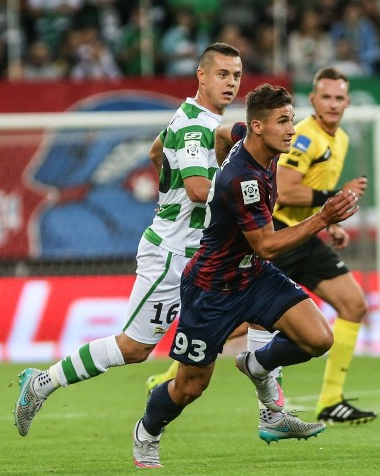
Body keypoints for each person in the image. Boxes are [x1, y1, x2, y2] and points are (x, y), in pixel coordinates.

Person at [12, 42, 244, 437]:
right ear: (201, 75)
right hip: (172, 256)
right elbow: (196, 189)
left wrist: (167, 189)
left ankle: (271, 410)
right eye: (222, 74)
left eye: (236, 76)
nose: (231, 83)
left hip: (200, 253)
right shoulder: (193, 126)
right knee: (134, 348)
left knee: (256, 316)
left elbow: (157, 152)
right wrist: (241, 190)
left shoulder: (191, 119)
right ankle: (42, 382)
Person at [132, 84, 360, 468]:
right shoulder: (243, 180)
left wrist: (221, 150)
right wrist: (324, 218)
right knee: (190, 386)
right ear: (258, 126)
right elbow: (268, 245)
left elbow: (226, 133)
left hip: (253, 276)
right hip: (212, 287)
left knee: (319, 338)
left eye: (292, 118)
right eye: (283, 121)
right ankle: (147, 432)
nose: (293, 129)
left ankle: (256, 363)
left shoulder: (252, 142)